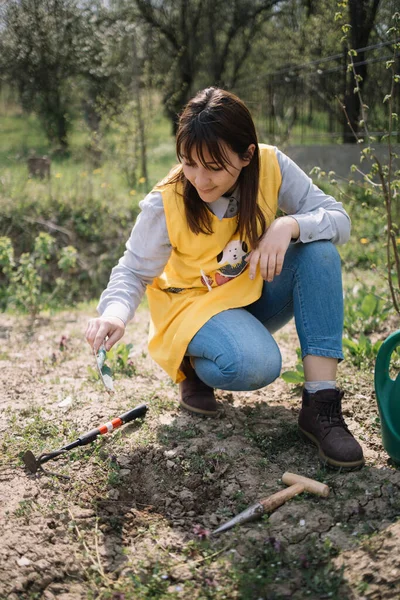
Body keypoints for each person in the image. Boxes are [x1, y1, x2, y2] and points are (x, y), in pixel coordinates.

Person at [86, 87, 364, 470]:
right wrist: (115, 314)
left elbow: (339, 220)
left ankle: (321, 405)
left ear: (246, 155)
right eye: (188, 162)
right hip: (191, 308)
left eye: (214, 167)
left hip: (248, 292)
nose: (200, 179)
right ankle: (193, 364)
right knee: (257, 365)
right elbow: (133, 270)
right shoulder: (164, 200)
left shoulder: (271, 165)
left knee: (318, 250)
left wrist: (289, 224)